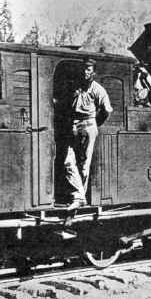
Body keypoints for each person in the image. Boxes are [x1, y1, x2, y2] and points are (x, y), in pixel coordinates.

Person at [65, 59, 113, 211]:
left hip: (88, 125)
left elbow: (107, 110)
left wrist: (94, 124)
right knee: (68, 161)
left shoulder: (98, 90)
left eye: (88, 69)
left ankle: (79, 198)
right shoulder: (74, 86)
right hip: (73, 125)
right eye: (84, 69)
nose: (85, 72)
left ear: (94, 73)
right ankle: (79, 196)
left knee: (84, 165)